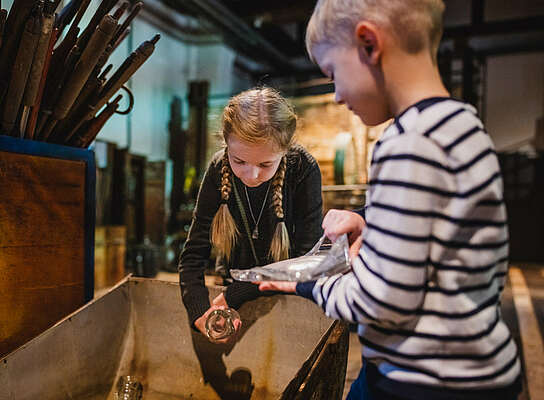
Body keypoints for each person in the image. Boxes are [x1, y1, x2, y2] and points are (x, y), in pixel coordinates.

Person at [258, 0, 523, 399]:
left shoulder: (407, 143)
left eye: (333, 74)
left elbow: (380, 301)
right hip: (477, 367)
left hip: (423, 381)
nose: (336, 97)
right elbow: (447, 242)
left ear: (368, 44)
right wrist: (370, 223)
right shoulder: (463, 125)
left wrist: (308, 283)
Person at [179, 87, 323, 344]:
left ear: (284, 151)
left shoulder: (303, 168)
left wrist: (239, 294)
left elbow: (307, 258)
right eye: (239, 161)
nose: (251, 175)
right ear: (226, 144)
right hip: (230, 282)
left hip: (287, 291)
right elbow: (193, 253)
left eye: (266, 164)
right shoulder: (217, 168)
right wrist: (199, 310)